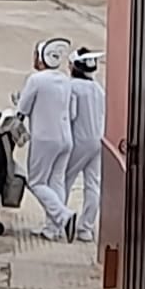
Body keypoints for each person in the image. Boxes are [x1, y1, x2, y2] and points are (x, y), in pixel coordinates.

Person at [18, 39, 78, 240]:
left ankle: (63, 216)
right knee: (56, 182)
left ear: (42, 57)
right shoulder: (66, 80)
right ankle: (53, 229)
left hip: (45, 138)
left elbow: (23, 108)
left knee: (36, 182)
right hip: (66, 137)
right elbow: (72, 112)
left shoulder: (36, 80)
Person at [64, 52, 106, 243]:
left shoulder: (71, 87)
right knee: (93, 185)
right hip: (98, 140)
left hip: (78, 140)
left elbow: (70, 115)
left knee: (64, 179)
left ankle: (58, 222)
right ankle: (86, 228)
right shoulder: (98, 89)